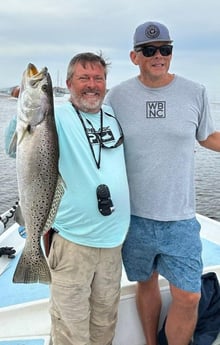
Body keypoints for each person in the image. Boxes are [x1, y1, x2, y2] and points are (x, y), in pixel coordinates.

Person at [104, 21, 220, 345]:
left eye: (165, 49)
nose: (159, 56)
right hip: (134, 218)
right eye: (149, 50)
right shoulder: (117, 97)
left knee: (189, 296)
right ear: (134, 56)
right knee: (145, 283)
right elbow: (95, 142)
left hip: (180, 219)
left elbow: (208, 136)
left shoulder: (195, 91)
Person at [5, 52, 130, 345]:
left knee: (104, 323)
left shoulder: (112, 116)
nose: (92, 85)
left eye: (98, 78)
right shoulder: (54, 117)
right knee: (70, 331)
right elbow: (14, 150)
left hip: (113, 244)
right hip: (73, 243)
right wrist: (22, 108)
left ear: (105, 83)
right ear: (69, 83)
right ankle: (32, 256)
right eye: (83, 78)